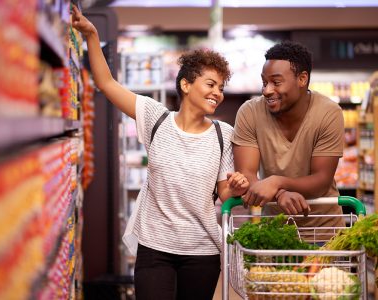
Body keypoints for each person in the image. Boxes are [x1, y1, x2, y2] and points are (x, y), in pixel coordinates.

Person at [71, 6, 249, 300]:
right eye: (210, 84)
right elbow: (106, 83)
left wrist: (237, 185)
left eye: (221, 87)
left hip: (201, 250)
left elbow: (223, 192)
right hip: (155, 248)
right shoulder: (156, 118)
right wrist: (91, 34)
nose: (218, 93)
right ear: (186, 84)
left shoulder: (223, 134)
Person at [232, 40, 345, 231]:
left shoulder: (328, 112)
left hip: (325, 231)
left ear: (302, 79)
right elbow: (246, 174)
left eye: (276, 82)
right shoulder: (249, 112)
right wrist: (281, 194)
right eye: (264, 82)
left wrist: (277, 182)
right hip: (275, 232)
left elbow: (321, 180)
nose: (267, 90)